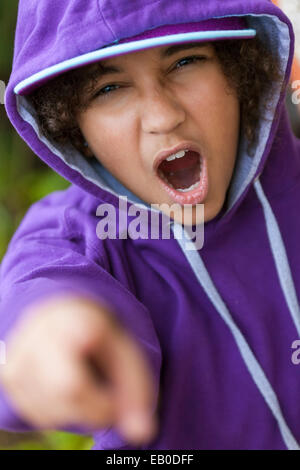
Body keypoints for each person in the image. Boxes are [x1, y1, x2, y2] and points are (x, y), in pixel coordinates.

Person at [0, 0, 300, 451]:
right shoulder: (77, 238)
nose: (164, 116)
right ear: (72, 125)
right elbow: (42, 292)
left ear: (241, 70)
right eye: (108, 89)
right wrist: (54, 332)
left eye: (185, 60)